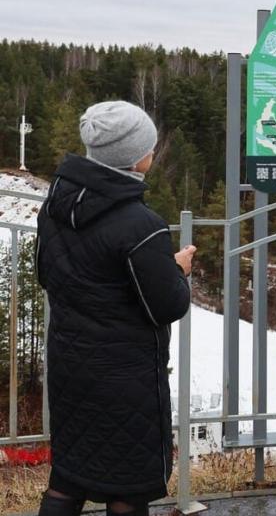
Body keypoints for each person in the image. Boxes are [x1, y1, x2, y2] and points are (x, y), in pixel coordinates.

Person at [36, 101, 196, 516]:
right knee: (127, 490)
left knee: (67, 480)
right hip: (125, 378)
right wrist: (178, 271)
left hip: (71, 368)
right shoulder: (141, 225)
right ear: (134, 157)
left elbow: (48, 275)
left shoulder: (54, 208)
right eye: (150, 145)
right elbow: (167, 306)